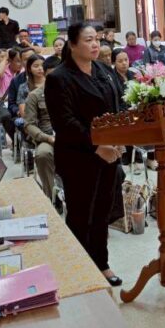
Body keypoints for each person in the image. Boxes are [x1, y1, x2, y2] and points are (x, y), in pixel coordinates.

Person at [44, 24, 123, 285]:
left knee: (102, 212)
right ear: (72, 45)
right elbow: (65, 122)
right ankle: (79, 271)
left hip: (109, 153)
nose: (95, 44)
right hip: (78, 157)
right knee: (81, 215)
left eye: (96, 39)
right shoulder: (59, 78)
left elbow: (118, 106)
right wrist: (97, 146)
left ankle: (102, 264)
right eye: (88, 40)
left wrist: (121, 138)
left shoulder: (104, 70)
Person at [23, 64, 57, 203]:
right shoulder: (35, 96)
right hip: (47, 136)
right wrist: (47, 138)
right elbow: (29, 125)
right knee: (43, 154)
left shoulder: (73, 92)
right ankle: (52, 197)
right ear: (45, 75)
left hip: (71, 135)